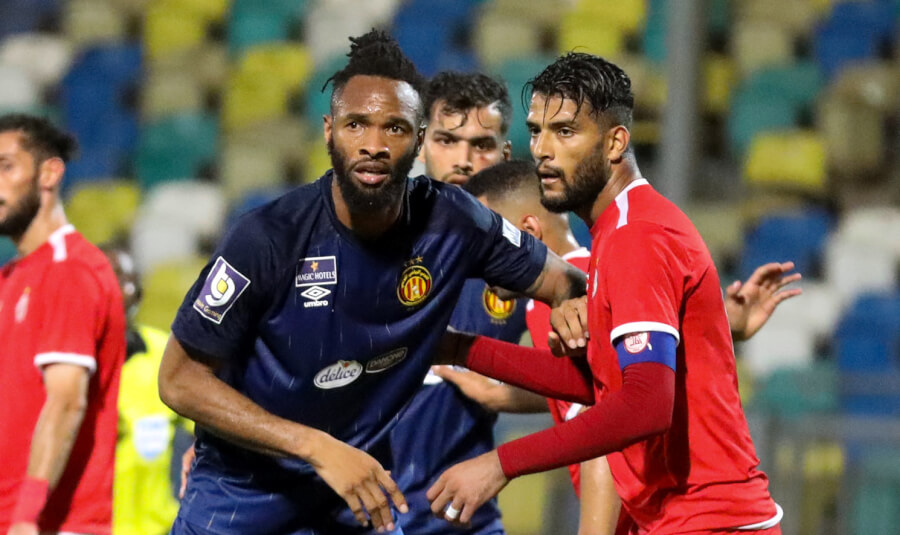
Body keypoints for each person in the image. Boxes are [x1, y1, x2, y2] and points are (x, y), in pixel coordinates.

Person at [158, 31, 586, 535]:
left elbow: (567, 280)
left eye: (396, 128)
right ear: (328, 130)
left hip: (362, 496)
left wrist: (568, 303)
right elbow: (179, 378)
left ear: (417, 137)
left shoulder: (456, 222)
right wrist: (317, 448)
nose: (375, 146)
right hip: (242, 497)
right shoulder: (268, 237)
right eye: (356, 124)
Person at [427, 53, 796, 533]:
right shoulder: (613, 235)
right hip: (682, 518)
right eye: (537, 131)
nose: (542, 150)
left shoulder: (635, 236)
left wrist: (501, 463)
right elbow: (600, 382)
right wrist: (459, 347)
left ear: (616, 141)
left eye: (565, 132)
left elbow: (644, 404)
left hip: (708, 520)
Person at [388, 71, 542, 535]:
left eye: (482, 144)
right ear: (421, 145)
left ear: (505, 155)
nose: (464, 159)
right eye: (447, 140)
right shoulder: (372, 243)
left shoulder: (529, 262)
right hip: (365, 513)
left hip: (464, 520)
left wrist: (504, 394)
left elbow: (597, 375)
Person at [0, 114, 126, 535]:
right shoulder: (13, 278)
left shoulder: (71, 270)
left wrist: (25, 516)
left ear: (50, 172)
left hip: (55, 524)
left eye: (6, 167)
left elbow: (66, 402)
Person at [102, 245, 190, 535]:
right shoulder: (65, 365)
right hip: (87, 526)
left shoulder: (162, 353)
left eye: (128, 280)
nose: (119, 289)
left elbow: (208, 423)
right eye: (106, 277)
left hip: (158, 528)